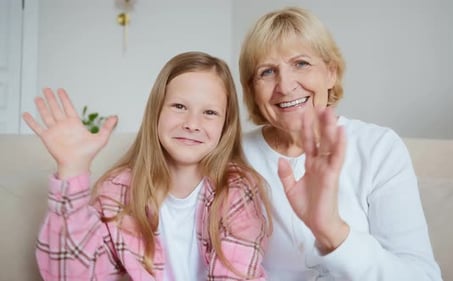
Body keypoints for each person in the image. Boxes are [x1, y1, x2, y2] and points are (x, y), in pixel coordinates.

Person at [23, 51, 271, 281]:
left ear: (225, 126)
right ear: (156, 112)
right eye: (179, 106)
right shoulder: (117, 191)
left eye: (209, 112)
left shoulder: (237, 191)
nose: (192, 123)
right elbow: (71, 275)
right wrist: (72, 171)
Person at [238, 6, 442, 281]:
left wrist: (333, 231)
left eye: (301, 63)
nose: (285, 86)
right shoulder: (232, 155)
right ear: (251, 89)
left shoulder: (379, 148)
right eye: (267, 72)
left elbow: (423, 277)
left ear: (331, 73)